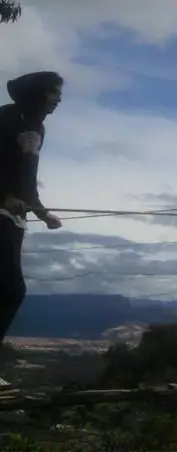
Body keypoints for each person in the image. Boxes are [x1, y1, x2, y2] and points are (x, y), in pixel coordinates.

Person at [0, 71, 63, 387]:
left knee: (8, 290)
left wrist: (41, 212)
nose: (58, 101)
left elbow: (28, 178)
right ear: (37, 94)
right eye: (54, 94)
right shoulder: (3, 118)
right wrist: (5, 196)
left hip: (12, 219)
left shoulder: (38, 129)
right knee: (11, 290)